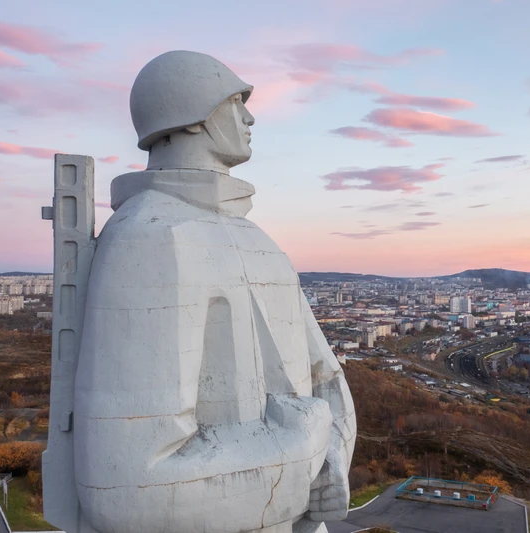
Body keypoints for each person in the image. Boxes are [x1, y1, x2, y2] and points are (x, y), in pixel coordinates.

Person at [71, 51, 356, 533]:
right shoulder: (153, 236)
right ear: (187, 114)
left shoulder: (261, 242)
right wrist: (307, 453)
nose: (249, 117)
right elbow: (128, 488)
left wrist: (333, 459)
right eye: (234, 102)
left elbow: (328, 384)